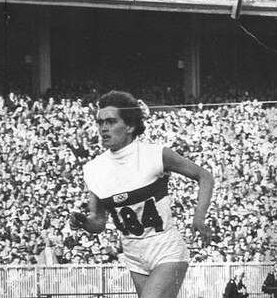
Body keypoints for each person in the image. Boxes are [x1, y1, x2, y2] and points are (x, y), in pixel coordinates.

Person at [69, 90, 214, 298]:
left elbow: (204, 176)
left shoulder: (154, 154)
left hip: (165, 248)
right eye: (100, 122)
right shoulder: (93, 169)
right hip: (133, 254)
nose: (103, 128)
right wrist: (82, 222)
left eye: (110, 122)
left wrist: (199, 217)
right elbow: (99, 222)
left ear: (130, 126)